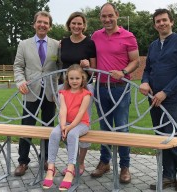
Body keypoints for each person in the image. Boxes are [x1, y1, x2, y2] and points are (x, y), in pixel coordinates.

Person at [139, 9, 177, 192]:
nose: (161, 23)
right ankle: (168, 176)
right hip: (153, 99)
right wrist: (145, 82)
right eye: (158, 21)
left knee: (173, 137)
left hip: (173, 99)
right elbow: (147, 69)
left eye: (164, 20)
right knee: (161, 138)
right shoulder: (153, 45)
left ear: (172, 22)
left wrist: (166, 92)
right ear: (155, 25)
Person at [90, 3, 140, 184]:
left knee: (121, 127)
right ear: (100, 17)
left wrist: (124, 71)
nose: (107, 19)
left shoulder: (128, 36)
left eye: (110, 15)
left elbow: (135, 61)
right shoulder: (95, 36)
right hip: (100, 88)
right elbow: (92, 60)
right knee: (104, 127)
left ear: (117, 15)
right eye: (104, 16)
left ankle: (125, 166)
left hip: (120, 88)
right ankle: (105, 162)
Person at [13, 11, 60, 176]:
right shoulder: (23, 44)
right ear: (34, 24)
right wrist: (20, 82)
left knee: (49, 128)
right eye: (40, 22)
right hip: (30, 92)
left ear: (50, 26)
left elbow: (60, 69)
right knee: (26, 127)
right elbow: (18, 66)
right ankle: (23, 161)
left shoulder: (56, 45)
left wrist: (58, 89)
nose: (42, 25)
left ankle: (46, 159)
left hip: (50, 94)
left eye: (46, 23)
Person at [42, 64, 92, 190]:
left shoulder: (86, 94)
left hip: (81, 124)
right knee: (54, 133)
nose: (74, 81)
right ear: (67, 79)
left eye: (77, 78)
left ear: (82, 79)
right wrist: (63, 126)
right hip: (66, 123)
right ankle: (51, 168)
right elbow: (63, 110)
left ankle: (70, 170)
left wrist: (69, 128)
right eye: (71, 78)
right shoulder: (63, 93)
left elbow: (81, 114)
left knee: (73, 134)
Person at [60, 11, 96, 176]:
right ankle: (70, 163)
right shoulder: (63, 43)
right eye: (73, 23)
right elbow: (58, 65)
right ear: (69, 25)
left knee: (82, 122)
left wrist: (87, 65)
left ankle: (80, 162)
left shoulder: (90, 43)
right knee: (66, 122)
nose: (76, 26)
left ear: (84, 25)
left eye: (79, 23)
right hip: (66, 88)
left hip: (84, 89)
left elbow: (94, 70)